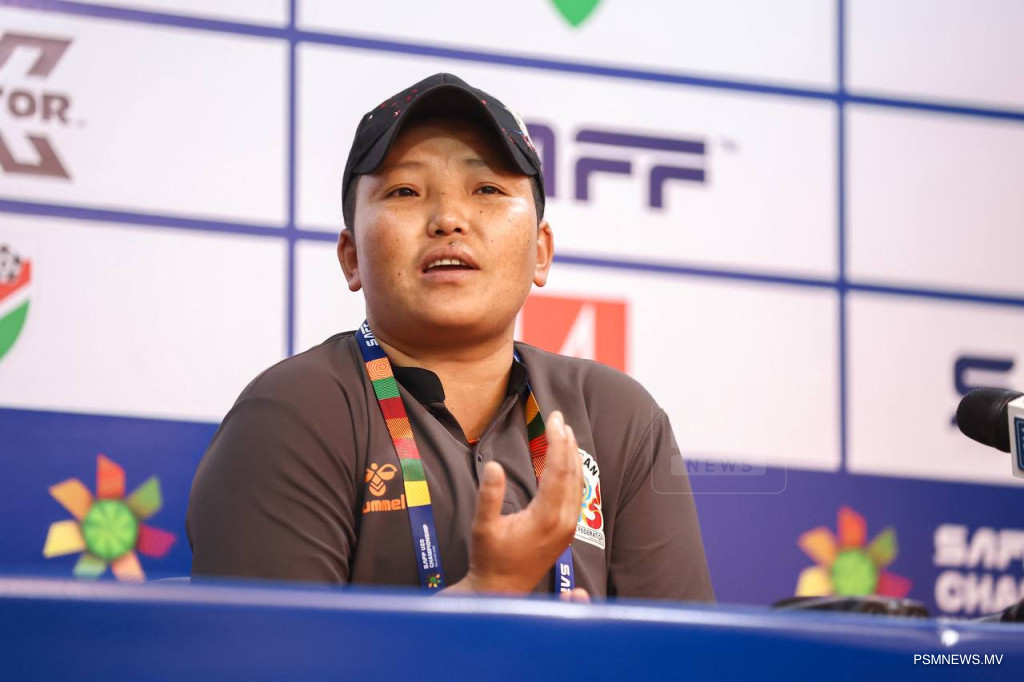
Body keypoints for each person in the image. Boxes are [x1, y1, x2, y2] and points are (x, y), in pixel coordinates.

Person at [187, 73, 713, 602]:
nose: (449, 219)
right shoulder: (294, 411)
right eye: (405, 191)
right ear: (351, 257)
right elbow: (267, 649)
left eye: (487, 190)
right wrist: (487, 594)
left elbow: (686, 649)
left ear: (541, 251)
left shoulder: (616, 417)